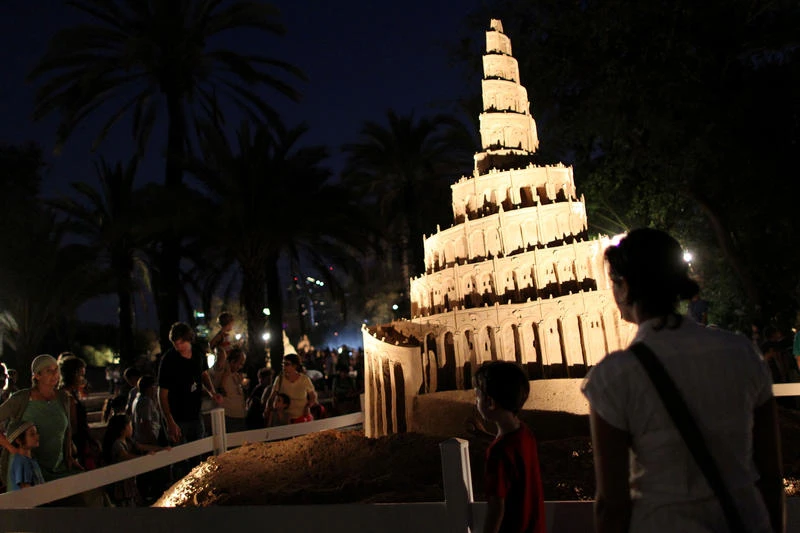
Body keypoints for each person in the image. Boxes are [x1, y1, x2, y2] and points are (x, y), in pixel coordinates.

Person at [582, 228, 784, 533]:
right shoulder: (742, 353)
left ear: (622, 288)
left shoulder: (614, 376)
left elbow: (612, 503)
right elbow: (770, 474)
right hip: (745, 521)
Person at [473, 360, 545, 533]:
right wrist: (483, 435)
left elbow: (496, 509)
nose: (476, 401)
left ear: (490, 402)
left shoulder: (497, 453)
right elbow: (513, 452)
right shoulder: (525, 433)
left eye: (477, 396)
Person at [0, 354, 80, 485]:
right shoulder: (21, 399)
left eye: (56, 369)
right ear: (37, 375)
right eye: (49, 371)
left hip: (58, 466)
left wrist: (69, 455)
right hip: (28, 471)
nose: (55, 374)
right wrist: (12, 449)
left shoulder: (63, 398)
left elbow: (67, 430)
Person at [157, 322, 223, 445]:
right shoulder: (169, 360)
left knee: (199, 453)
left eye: (181, 343)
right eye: (175, 344)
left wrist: (212, 392)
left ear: (188, 340)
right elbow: (162, 394)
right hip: (177, 417)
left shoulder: (198, 353)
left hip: (195, 414)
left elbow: (204, 374)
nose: (178, 347)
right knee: (179, 457)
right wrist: (169, 421)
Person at [102, 414, 167, 506]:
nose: (132, 428)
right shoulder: (117, 444)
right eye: (130, 425)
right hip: (120, 484)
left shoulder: (129, 441)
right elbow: (125, 456)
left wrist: (161, 449)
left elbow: (142, 447)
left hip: (129, 482)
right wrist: (144, 458)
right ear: (124, 428)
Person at [59, 355, 102, 470]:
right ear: (73, 374)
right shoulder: (66, 397)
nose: (83, 379)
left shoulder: (72, 394)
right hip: (75, 446)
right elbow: (71, 426)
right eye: (81, 375)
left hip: (80, 443)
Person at [263, 353, 318, 425]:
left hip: (301, 419)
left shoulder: (304, 379)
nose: (284, 366)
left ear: (295, 366)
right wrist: (267, 408)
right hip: (284, 420)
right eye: (283, 364)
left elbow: (312, 395)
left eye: (287, 364)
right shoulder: (280, 379)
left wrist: (308, 406)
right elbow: (272, 396)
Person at [5, 420, 45, 490]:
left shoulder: (30, 460)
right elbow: (26, 490)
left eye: (36, 433)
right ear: (19, 441)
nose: (37, 436)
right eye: (32, 434)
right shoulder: (21, 461)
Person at [218, 348, 247, 433]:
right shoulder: (222, 372)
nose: (241, 367)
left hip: (240, 416)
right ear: (232, 361)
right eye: (240, 364)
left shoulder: (236, 375)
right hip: (230, 417)